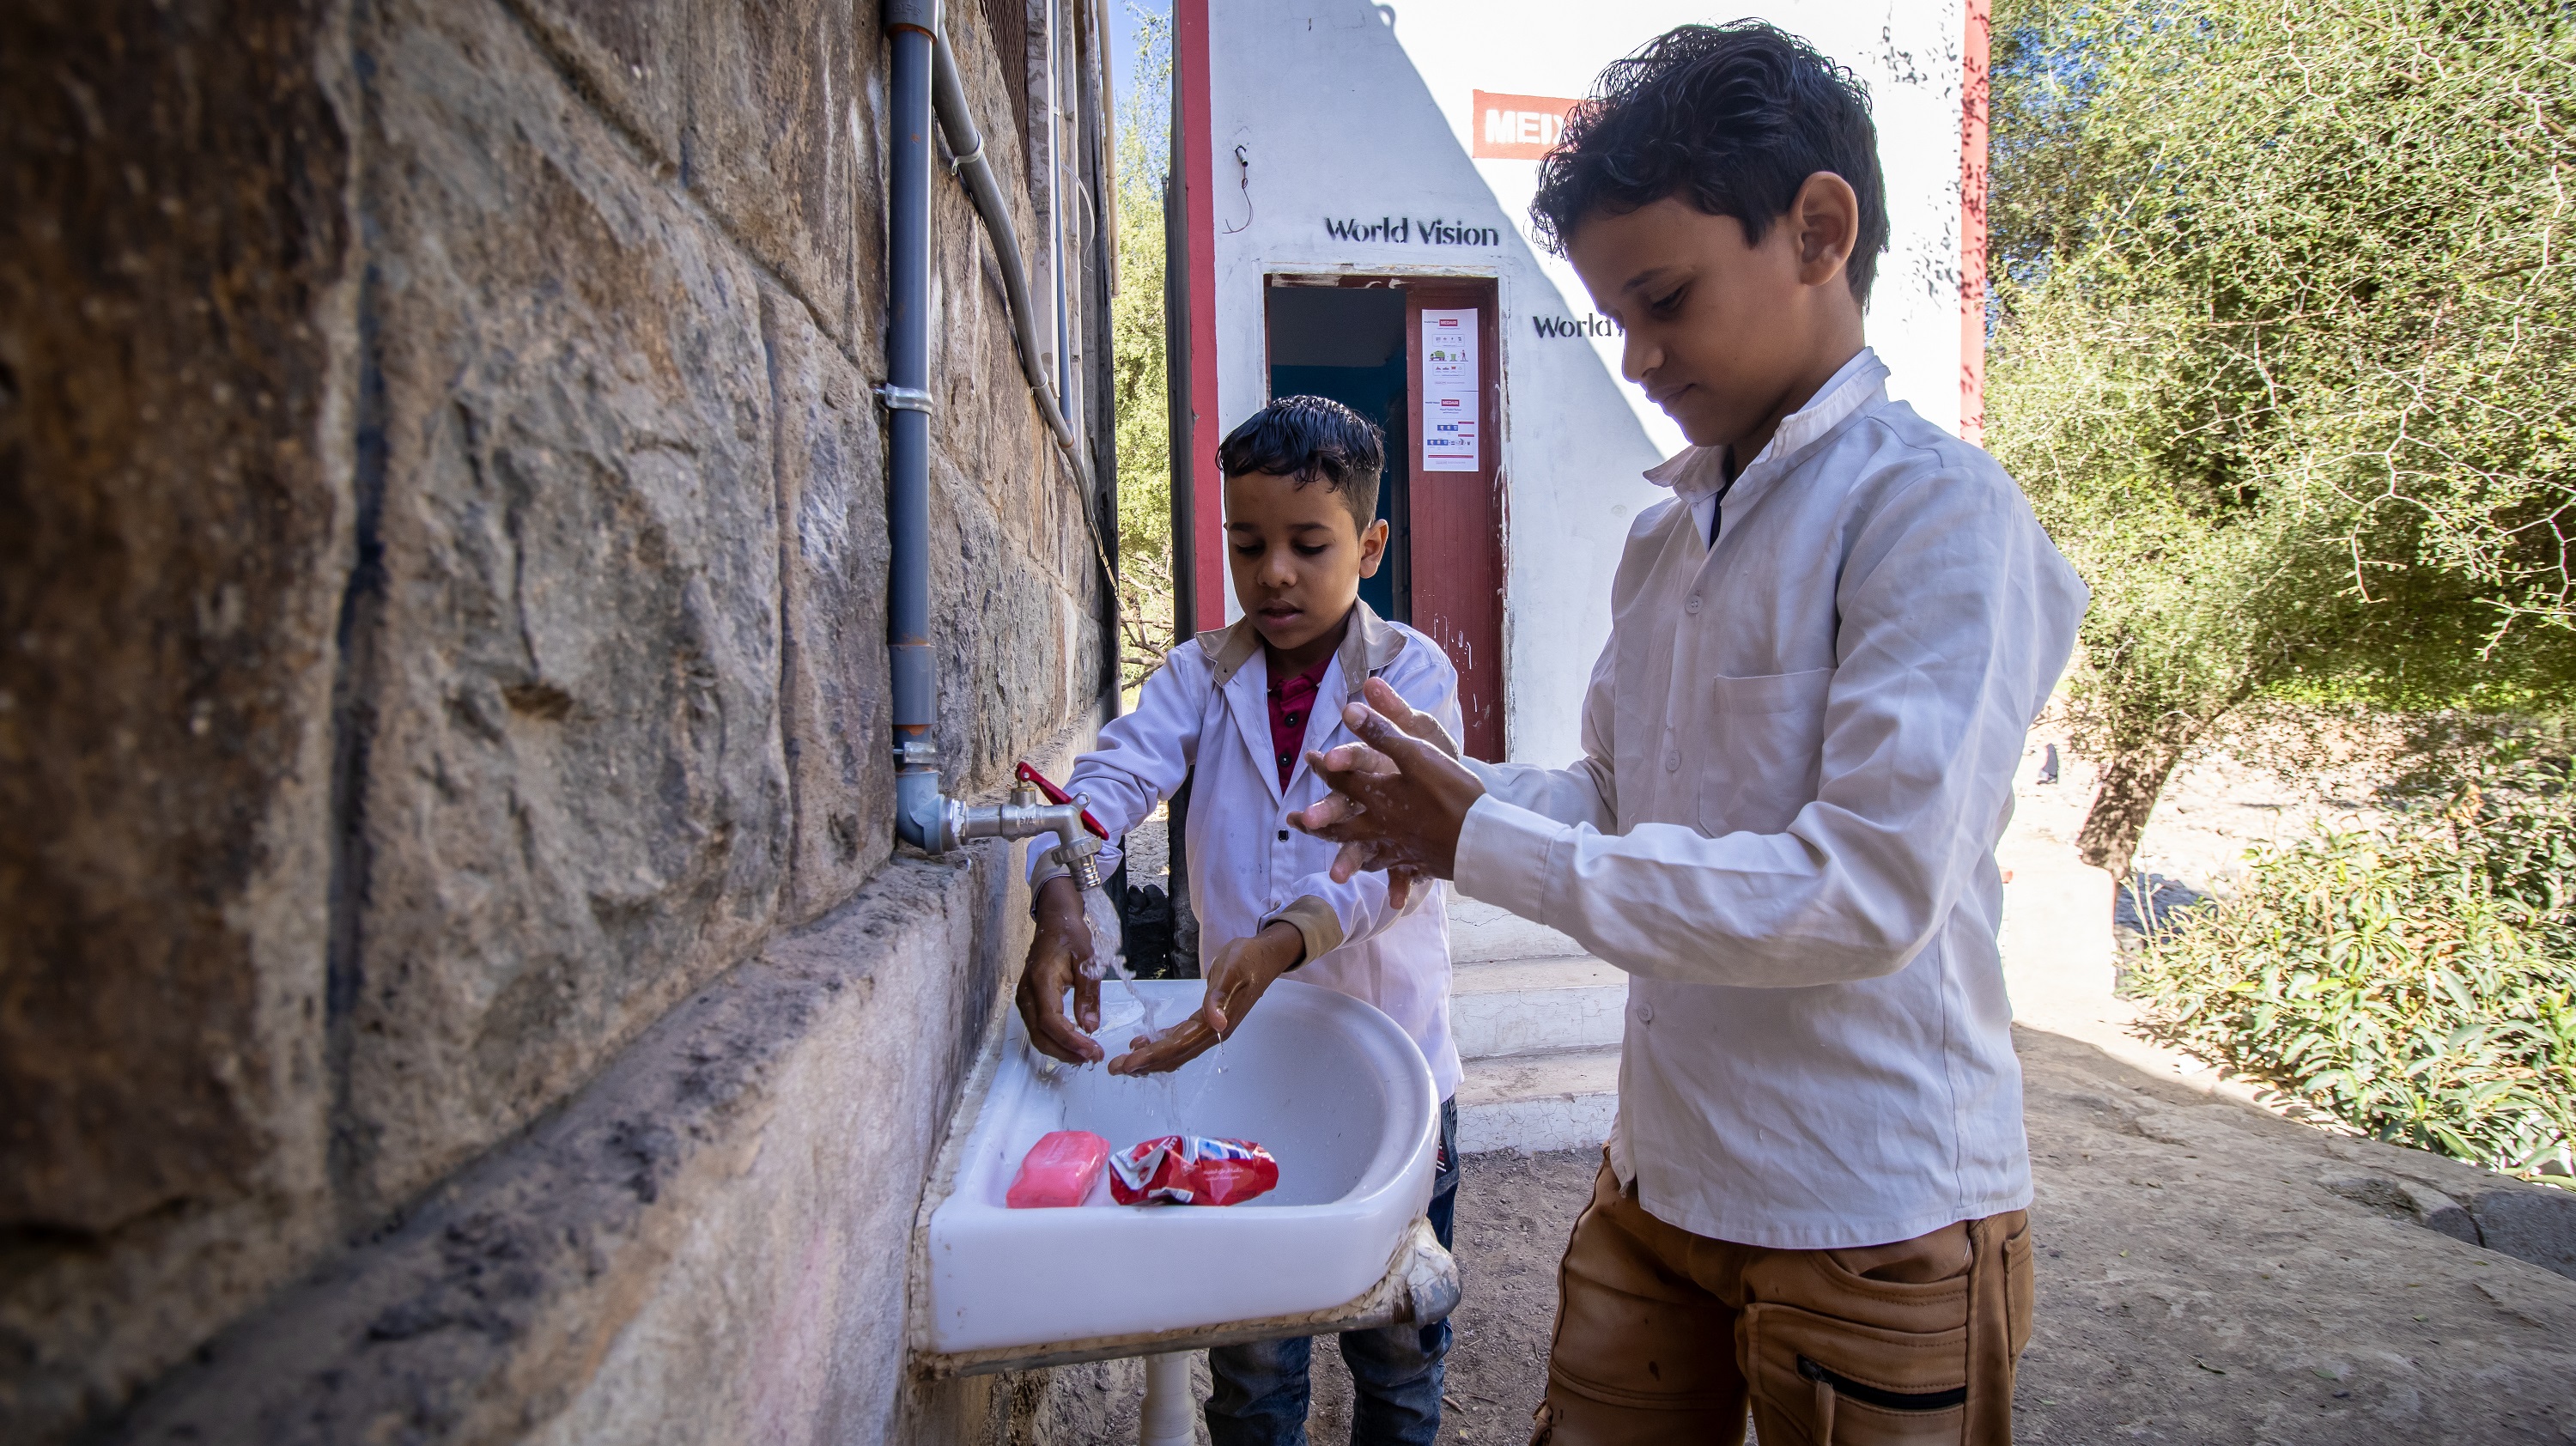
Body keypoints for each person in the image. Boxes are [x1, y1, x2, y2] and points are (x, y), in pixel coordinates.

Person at [1290, 23, 2089, 1446]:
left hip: (1874, 1210)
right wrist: (1445, 790)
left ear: (1817, 230)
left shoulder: (1936, 519)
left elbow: (1865, 891)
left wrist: (1478, 837)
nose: (1641, 355)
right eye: (1614, 316)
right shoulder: (1668, 539)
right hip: (1661, 1183)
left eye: (1665, 298)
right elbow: (1614, 794)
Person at [1015, 393, 1466, 1446]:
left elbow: (1395, 864)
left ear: (1372, 542)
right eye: (1247, 543)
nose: (1273, 574)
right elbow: (1106, 783)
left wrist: (1284, 938)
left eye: (1309, 545)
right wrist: (1060, 892)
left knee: (1398, 1346)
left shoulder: (1410, 675)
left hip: (1401, 1068)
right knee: (1255, 1360)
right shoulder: (1198, 677)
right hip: (1245, 1071)